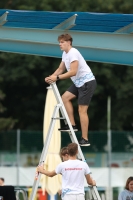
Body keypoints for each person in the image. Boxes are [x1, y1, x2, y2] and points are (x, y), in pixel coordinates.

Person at [45, 33, 97, 146]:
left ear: (69, 42)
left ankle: (85, 139)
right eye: (59, 42)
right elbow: (60, 68)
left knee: (82, 111)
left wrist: (57, 78)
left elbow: (73, 72)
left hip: (87, 82)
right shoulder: (65, 53)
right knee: (65, 98)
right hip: (79, 83)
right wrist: (51, 77)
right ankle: (72, 124)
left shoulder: (73, 52)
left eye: (62, 42)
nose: (60, 44)